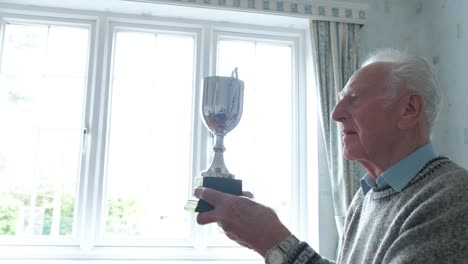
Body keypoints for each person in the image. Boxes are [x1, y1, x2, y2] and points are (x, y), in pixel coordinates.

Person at [194, 49, 468, 263]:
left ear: (409, 109)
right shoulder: (366, 197)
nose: (335, 113)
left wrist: (274, 241)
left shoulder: (454, 199)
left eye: (354, 98)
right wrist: (259, 236)